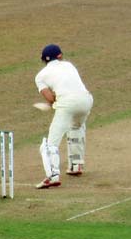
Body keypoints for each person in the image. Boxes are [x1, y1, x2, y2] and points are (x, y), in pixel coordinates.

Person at [34, 44, 94, 189]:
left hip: (67, 104)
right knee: (76, 126)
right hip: (86, 100)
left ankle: (53, 176)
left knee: (50, 144)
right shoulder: (69, 65)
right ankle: (76, 165)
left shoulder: (40, 76)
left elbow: (50, 98)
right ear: (60, 56)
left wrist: (55, 102)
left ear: (43, 59)